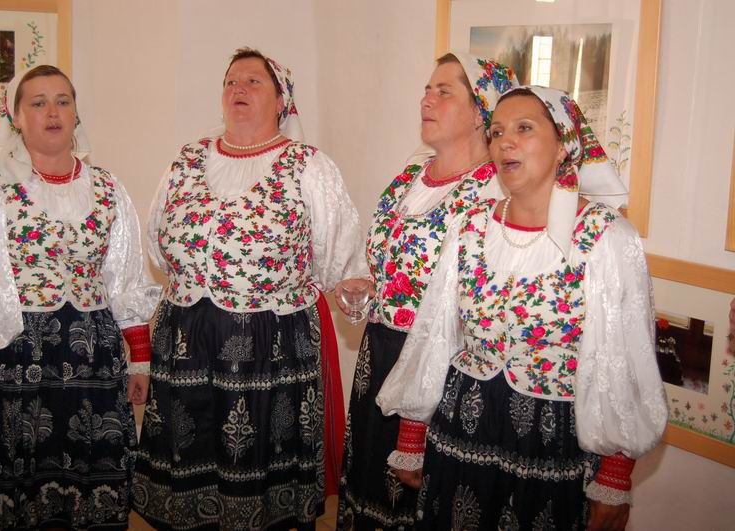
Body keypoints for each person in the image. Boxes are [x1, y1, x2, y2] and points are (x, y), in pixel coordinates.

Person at [377, 85, 668, 530]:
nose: (504, 142)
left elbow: (625, 361)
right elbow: (434, 332)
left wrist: (614, 476)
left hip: (552, 444)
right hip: (462, 429)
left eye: (524, 128)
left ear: (563, 146)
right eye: (496, 132)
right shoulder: (470, 227)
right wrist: (413, 432)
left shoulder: (606, 238)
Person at [132, 48, 365, 530]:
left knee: (257, 460)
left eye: (253, 81)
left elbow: (339, 258)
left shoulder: (307, 166)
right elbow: (156, 243)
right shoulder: (187, 159)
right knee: (190, 454)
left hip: (270, 343)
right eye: (231, 81)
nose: (238, 88)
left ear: (281, 102)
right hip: (188, 336)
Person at [0, 65, 160, 530]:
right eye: (38, 103)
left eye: (63, 101)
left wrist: (139, 356)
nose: (52, 112)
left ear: (76, 113)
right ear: (16, 117)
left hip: (93, 358)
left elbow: (125, 277)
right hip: (14, 354)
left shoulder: (107, 187)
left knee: (88, 482)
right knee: (21, 484)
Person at [335, 53, 517, 530]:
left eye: (443, 91)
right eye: (426, 90)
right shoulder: (407, 179)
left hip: (443, 371)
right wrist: (366, 287)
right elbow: (389, 266)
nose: (426, 100)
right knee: (370, 488)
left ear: (480, 112)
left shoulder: (494, 193)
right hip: (380, 355)